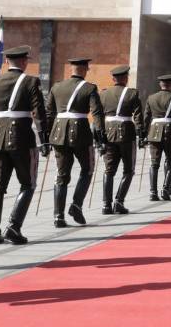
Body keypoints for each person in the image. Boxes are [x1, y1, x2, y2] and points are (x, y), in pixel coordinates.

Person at [0, 45, 48, 244]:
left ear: (7, 61)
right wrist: (44, 139)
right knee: (28, 183)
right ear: (24, 61)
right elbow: (38, 112)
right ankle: (14, 227)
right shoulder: (31, 81)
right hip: (21, 138)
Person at [46, 57, 106, 227]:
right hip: (81, 133)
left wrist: (47, 137)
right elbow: (97, 113)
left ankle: (58, 216)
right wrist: (100, 137)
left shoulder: (57, 87)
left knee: (62, 175)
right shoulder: (89, 88)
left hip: (59, 133)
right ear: (85, 69)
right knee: (87, 169)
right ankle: (76, 205)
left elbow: (49, 113)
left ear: (71, 69)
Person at [98, 65, 143, 214]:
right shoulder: (132, 93)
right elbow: (138, 116)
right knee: (128, 170)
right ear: (126, 78)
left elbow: (98, 115)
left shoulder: (104, 94)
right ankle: (119, 202)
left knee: (109, 170)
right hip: (126, 133)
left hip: (108, 132)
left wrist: (98, 137)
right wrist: (141, 134)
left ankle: (106, 205)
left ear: (113, 79)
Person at [143, 74, 171, 201]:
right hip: (170, 130)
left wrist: (143, 134)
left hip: (154, 130)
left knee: (154, 163)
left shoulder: (151, 97)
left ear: (160, 84)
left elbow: (146, 117)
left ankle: (153, 192)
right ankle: (166, 188)